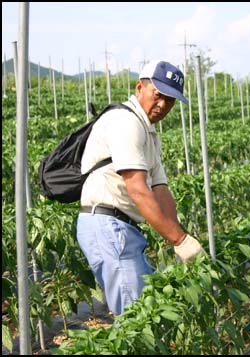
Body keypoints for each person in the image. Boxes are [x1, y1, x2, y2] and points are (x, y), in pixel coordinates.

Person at [77, 60, 205, 316]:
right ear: (139, 88)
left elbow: (160, 190)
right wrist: (179, 239)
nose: (162, 105)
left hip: (120, 228)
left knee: (145, 309)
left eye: (170, 101)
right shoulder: (126, 123)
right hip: (108, 226)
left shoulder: (148, 132)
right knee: (136, 318)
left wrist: (179, 237)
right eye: (158, 95)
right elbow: (138, 189)